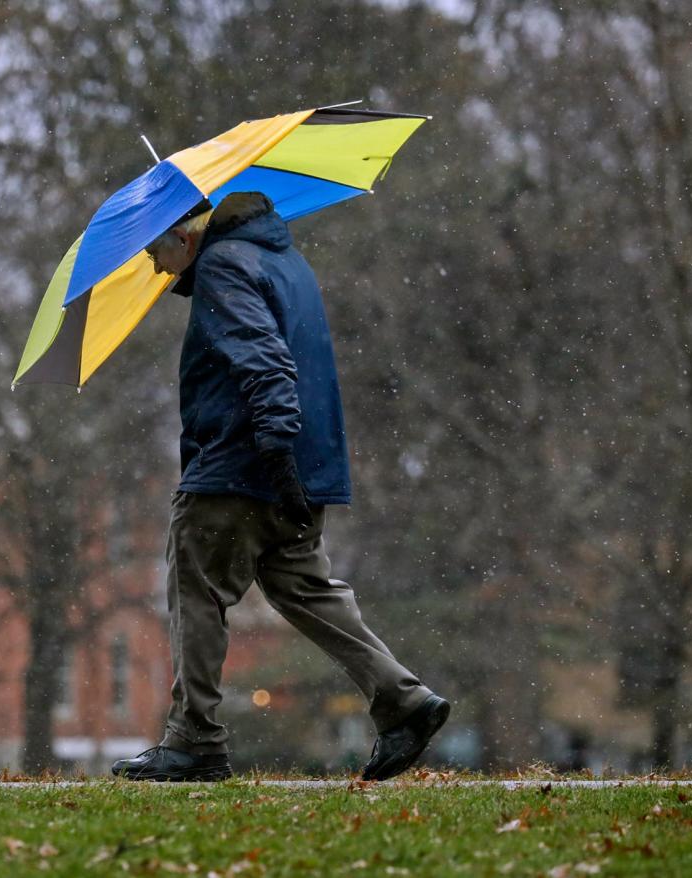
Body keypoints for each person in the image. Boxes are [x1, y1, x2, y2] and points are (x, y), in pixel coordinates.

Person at [111, 192, 449, 783]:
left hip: (239, 465)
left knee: (198, 591)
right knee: (305, 588)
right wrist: (289, 456)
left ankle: (193, 739)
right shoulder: (283, 260)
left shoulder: (220, 266)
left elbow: (266, 361)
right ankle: (401, 700)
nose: (158, 269)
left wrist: (270, 440)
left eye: (155, 251)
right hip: (304, 465)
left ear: (184, 236)